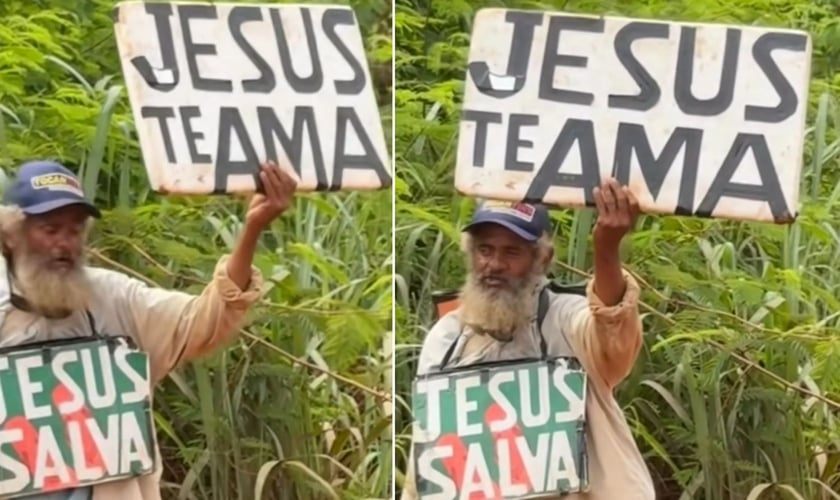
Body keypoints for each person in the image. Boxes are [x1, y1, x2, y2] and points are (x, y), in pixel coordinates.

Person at [0, 159, 297, 500]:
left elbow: (203, 320)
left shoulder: (114, 299)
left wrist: (252, 230)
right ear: (12, 236)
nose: (65, 243)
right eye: (51, 229)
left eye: (74, 230)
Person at [402, 178, 656, 500]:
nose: (494, 265)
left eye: (511, 252)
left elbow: (611, 331)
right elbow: (428, 457)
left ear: (542, 260)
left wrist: (606, 248)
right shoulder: (448, 338)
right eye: (485, 250)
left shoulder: (564, 320)